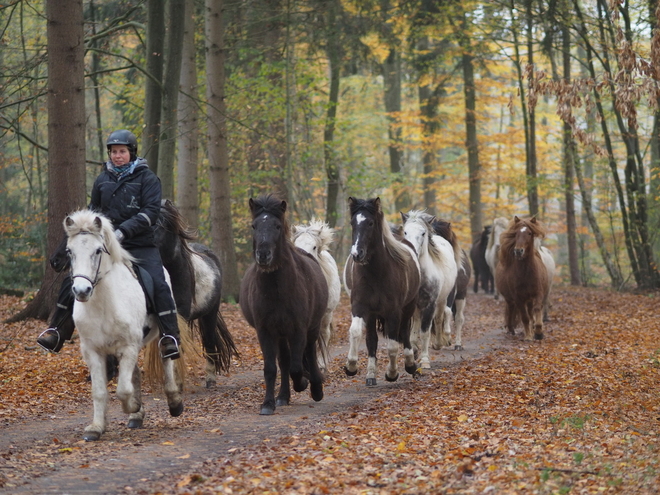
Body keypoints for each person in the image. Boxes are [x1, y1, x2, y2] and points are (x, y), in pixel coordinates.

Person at [37, 129, 181, 360]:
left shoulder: (148, 179)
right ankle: (56, 331)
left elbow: (151, 213)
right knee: (72, 281)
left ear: (131, 153)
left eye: (122, 151)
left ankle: (169, 337)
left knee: (159, 283)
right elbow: (93, 211)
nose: (117, 156)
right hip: (105, 245)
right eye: (114, 152)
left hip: (139, 244)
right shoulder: (102, 179)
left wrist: (123, 230)